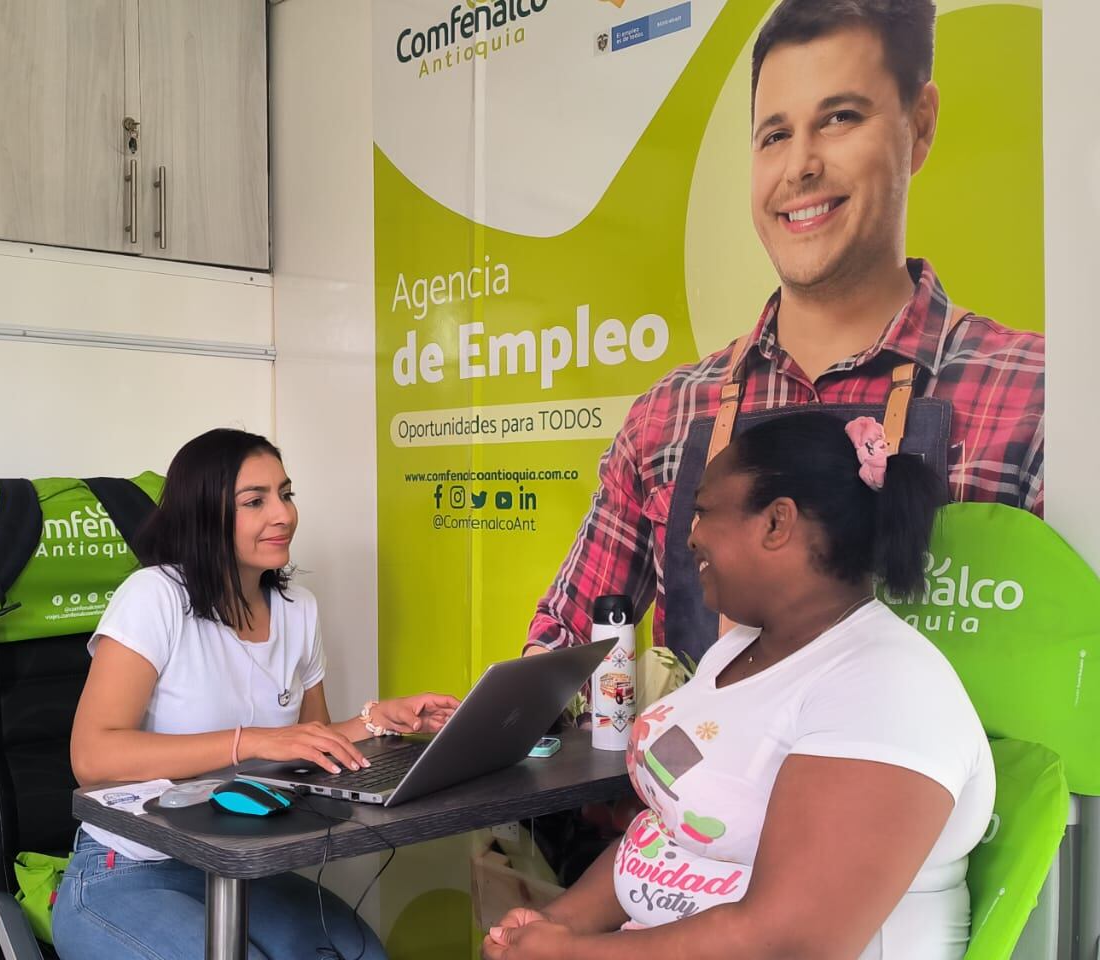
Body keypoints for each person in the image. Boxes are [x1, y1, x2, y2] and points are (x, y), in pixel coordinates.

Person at [528, 0, 1044, 662]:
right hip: (690, 767)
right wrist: (469, 726)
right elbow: (560, 657)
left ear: (919, 125)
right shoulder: (666, 414)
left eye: (839, 118)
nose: (799, 165)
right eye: (774, 134)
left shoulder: (1038, 402)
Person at [486, 411, 995, 960]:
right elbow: (667, 833)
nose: (690, 536)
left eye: (704, 512)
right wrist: (550, 925)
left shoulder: (887, 687)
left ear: (777, 523)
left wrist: (567, 953)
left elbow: (788, 942)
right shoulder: (740, 647)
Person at [53, 428, 459, 960]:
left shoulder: (299, 611)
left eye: (286, 494)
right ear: (204, 514)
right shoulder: (153, 597)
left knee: (361, 954)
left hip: (242, 868)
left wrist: (379, 720)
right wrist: (249, 741)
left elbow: (306, 742)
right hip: (127, 872)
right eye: (255, 501)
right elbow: (92, 757)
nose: (283, 514)